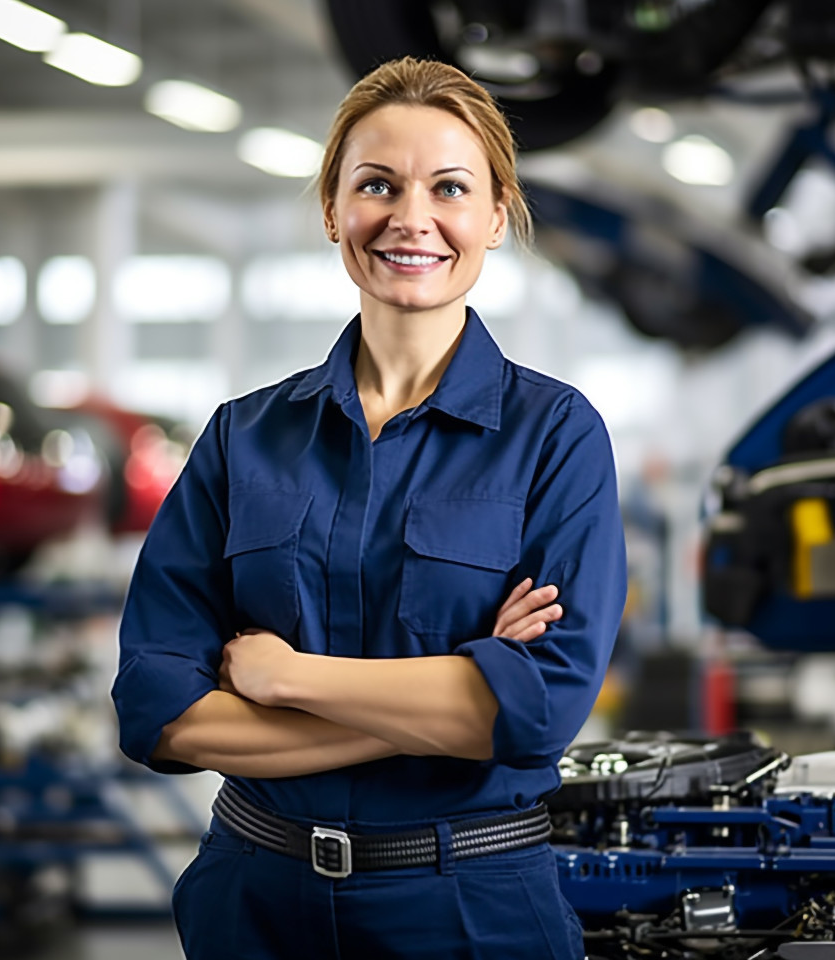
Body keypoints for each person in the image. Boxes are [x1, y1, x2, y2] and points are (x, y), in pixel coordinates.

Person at [112, 55, 626, 960]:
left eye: (450, 188)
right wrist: (452, 700)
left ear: (495, 217)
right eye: (376, 185)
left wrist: (285, 678)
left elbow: (536, 712)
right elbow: (161, 713)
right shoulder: (244, 438)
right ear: (332, 211)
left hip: (470, 908)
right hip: (255, 905)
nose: (410, 217)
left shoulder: (557, 438)